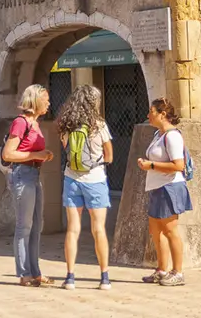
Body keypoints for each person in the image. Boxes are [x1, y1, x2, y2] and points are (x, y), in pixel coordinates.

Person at [56, 84, 114, 291]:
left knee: (73, 229)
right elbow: (110, 155)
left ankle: (70, 277)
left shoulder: (66, 125)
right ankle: (104, 277)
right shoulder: (99, 124)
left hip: (71, 179)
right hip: (95, 180)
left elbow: (66, 149)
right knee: (98, 229)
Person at [1, 84, 55, 287]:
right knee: (24, 226)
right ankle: (24, 274)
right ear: (35, 101)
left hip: (33, 174)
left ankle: (35, 272)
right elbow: (8, 154)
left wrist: (42, 155)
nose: (49, 103)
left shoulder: (35, 123)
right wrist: (35, 155)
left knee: (36, 226)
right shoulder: (20, 123)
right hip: (22, 175)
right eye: (46, 99)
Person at [136, 97, 192, 287]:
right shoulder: (158, 135)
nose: (148, 116)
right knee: (156, 230)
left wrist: (150, 164)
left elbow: (178, 165)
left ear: (163, 114)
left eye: (151, 112)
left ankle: (178, 272)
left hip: (169, 187)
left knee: (170, 230)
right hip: (157, 187)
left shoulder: (172, 136)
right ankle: (162, 269)